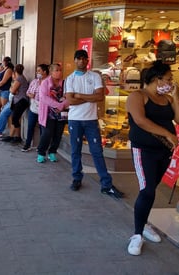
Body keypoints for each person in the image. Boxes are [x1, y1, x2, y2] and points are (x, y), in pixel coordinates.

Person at [126, 60, 179, 256]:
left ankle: (143, 224)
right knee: (147, 190)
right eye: (168, 79)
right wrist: (168, 134)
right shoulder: (138, 96)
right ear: (156, 78)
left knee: (151, 189)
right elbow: (140, 121)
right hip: (144, 150)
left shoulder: (168, 99)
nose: (171, 82)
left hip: (164, 152)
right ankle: (137, 235)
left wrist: (176, 97)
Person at [65, 49, 124, 198]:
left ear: (87, 60)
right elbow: (70, 100)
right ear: (75, 60)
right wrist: (90, 97)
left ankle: (106, 184)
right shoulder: (70, 79)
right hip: (75, 120)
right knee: (75, 151)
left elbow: (100, 97)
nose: (82, 61)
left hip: (91, 120)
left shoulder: (95, 76)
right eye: (79, 58)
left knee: (97, 152)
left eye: (84, 58)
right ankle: (76, 178)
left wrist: (79, 95)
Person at [36, 63, 69, 163]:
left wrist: (63, 105)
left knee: (58, 134)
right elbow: (43, 97)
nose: (59, 72)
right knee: (47, 133)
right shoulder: (45, 83)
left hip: (61, 114)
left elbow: (70, 97)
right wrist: (58, 105)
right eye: (56, 70)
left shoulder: (65, 83)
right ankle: (41, 153)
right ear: (51, 72)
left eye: (60, 70)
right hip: (48, 113)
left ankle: (52, 152)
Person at [22, 64, 49, 152]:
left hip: (44, 109)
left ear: (44, 72)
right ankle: (27, 144)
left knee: (43, 129)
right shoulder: (34, 81)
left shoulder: (49, 82)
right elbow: (27, 92)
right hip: (33, 108)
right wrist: (31, 95)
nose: (37, 73)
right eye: (37, 71)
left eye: (39, 71)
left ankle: (41, 147)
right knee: (30, 127)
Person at [1, 64, 29, 143]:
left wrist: (11, 88)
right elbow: (14, 90)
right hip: (18, 101)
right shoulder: (21, 78)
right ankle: (13, 135)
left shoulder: (19, 79)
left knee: (15, 119)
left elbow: (13, 91)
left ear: (14, 72)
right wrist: (13, 89)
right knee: (15, 118)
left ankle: (16, 137)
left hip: (21, 101)